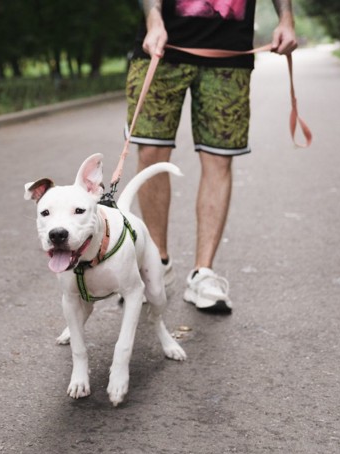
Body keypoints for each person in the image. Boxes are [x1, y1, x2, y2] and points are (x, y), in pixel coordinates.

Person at [127, 0, 298, 313]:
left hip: (229, 54)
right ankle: (157, 265)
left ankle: (202, 273)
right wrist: (153, 18)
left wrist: (286, 18)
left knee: (219, 159)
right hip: (161, 45)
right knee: (150, 152)